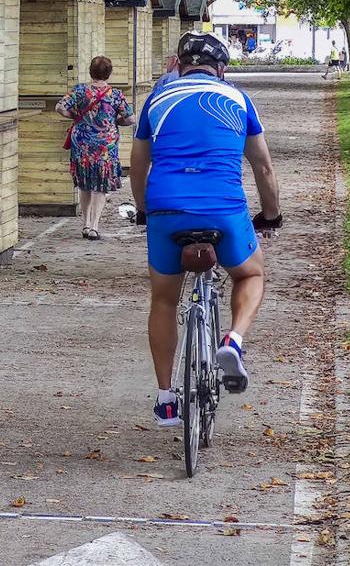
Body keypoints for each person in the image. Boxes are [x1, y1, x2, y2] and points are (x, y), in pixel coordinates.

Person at [129, 33, 283, 427]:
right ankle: (233, 339)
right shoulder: (237, 99)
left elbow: (138, 165)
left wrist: (146, 211)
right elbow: (263, 167)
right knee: (250, 273)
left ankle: (166, 398)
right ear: (222, 69)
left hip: (167, 206)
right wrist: (270, 214)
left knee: (164, 300)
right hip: (223, 206)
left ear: (178, 65)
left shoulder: (157, 100)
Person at [56, 56, 134, 240]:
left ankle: (84, 224)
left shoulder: (80, 90)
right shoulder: (115, 95)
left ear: (91, 71)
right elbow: (131, 119)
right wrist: (115, 121)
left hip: (82, 144)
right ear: (109, 73)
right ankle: (94, 226)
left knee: (84, 184)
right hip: (105, 146)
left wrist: (75, 116)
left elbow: (60, 107)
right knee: (100, 186)